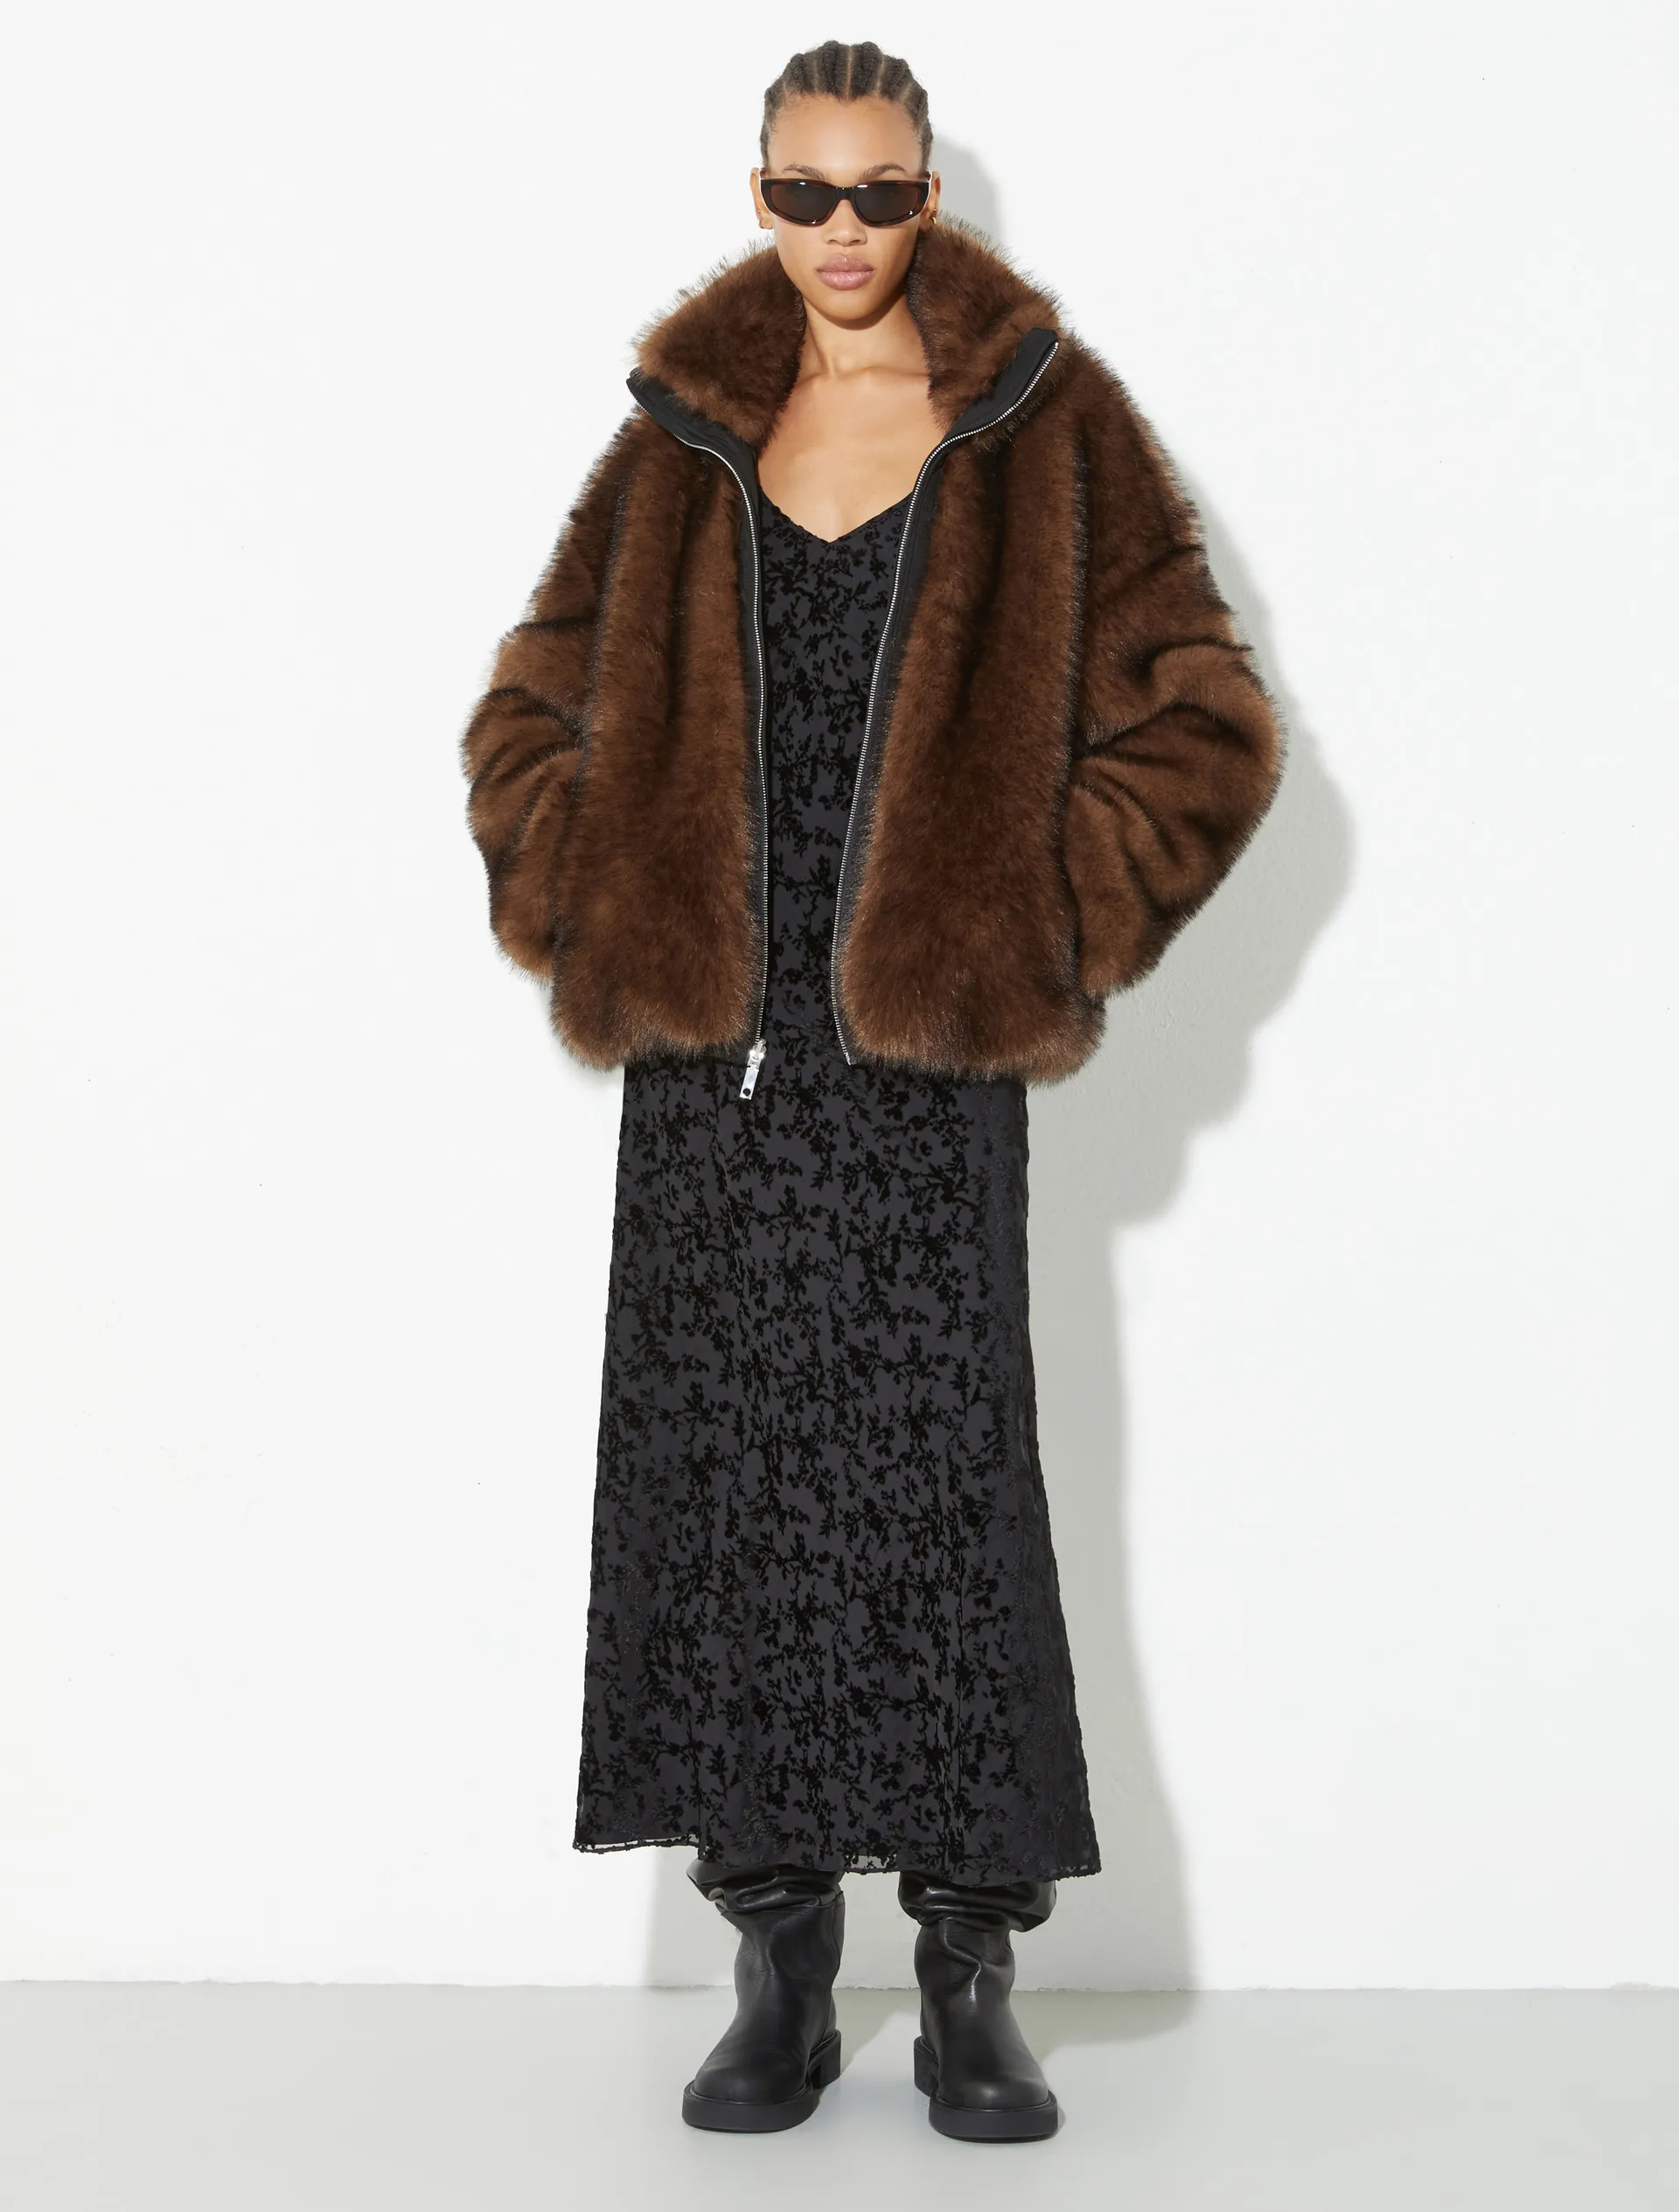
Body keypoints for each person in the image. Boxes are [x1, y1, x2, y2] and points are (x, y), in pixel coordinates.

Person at [460, 38, 1283, 2143]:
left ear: (931, 194)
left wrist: (1042, 920)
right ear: (758, 195)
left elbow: (1207, 718)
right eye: (807, 193)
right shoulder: (680, 436)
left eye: (883, 194)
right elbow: (528, 705)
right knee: (731, 1489)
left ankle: (969, 1965)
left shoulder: (1040, 420)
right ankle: (778, 1957)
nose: (845, 233)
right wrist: (602, 902)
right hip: (712, 1064)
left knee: (938, 1494)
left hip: (923, 1057)